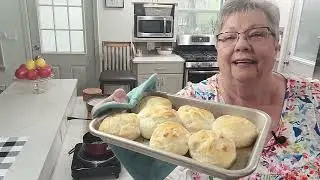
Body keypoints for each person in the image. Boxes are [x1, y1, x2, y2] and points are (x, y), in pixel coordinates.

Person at [100, 0, 320, 179]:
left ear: (277, 43)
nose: (241, 45)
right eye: (229, 36)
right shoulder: (185, 109)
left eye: (256, 34)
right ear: (217, 47)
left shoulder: (314, 98)